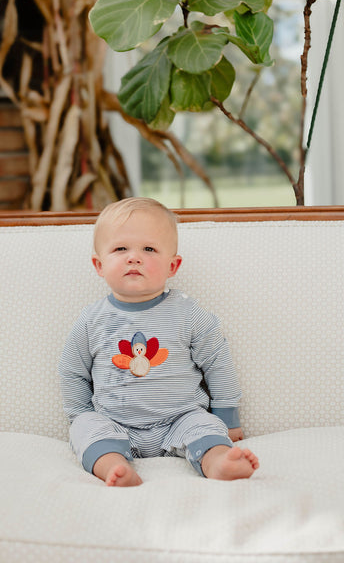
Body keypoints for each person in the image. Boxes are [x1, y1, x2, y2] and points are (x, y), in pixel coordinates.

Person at [58, 197, 259, 487]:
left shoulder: (187, 313)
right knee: (86, 429)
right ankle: (114, 466)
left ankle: (218, 461)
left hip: (180, 418)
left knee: (205, 427)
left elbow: (216, 360)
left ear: (172, 266)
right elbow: (72, 371)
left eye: (149, 249)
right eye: (120, 249)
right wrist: (80, 416)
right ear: (99, 265)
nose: (134, 257)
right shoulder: (92, 320)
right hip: (114, 422)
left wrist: (228, 416)